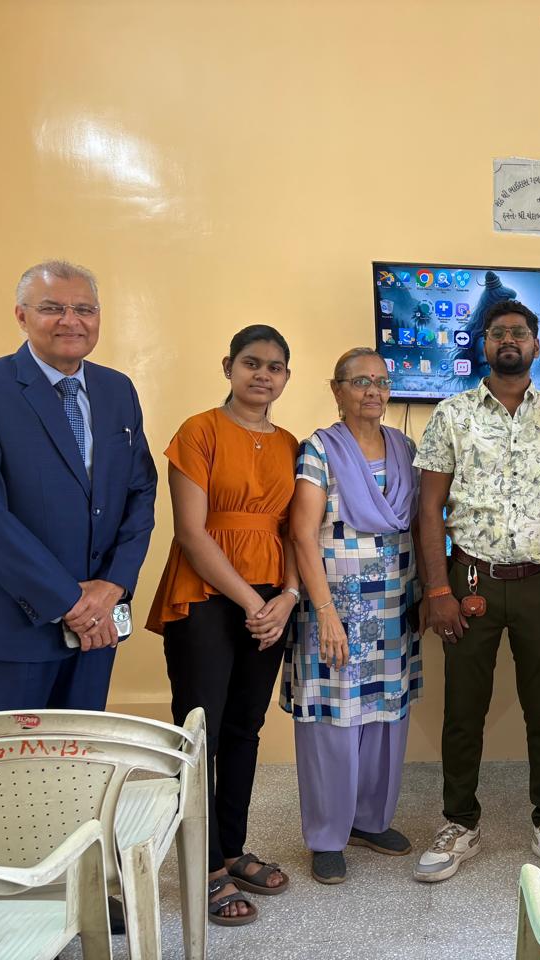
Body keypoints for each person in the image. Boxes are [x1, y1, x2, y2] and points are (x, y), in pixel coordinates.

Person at [412, 299, 540, 884]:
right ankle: (459, 822)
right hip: (470, 581)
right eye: (498, 333)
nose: (509, 341)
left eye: (519, 333)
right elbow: (429, 506)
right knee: (464, 711)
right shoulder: (451, 414)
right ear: (484, 345)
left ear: (536, 346)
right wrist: (436, 587)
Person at [0, 260, 156, 712]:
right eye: (53, 307)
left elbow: (141, 494)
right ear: (21, 316)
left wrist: (112, 586)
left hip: (101, 620)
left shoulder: (118, 390)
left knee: (81, 760)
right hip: (18, 620)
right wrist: (70, 600)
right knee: (14, 770)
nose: (71, 320)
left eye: (85, 309)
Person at [146, 325, 299, 926]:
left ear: (287, 377)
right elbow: (191, 531)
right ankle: (202, 863)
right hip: (207, 591)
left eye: (275, 367)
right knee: (200, 730)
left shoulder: (291, 443)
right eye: (251, 363)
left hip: (272, 596)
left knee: (246, 725)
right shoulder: (199, 431)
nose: (263, 375)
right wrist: (249, 601)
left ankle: (231, 849)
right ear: (229, 367)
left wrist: (285, 597)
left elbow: (295, 531)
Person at [284, 347, 422, 885]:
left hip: (392, 609)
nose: (373, 391)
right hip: (336, 608)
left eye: (382, 382)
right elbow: (302, 532)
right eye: (360, 381)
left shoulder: (405, 448)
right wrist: (325, 613)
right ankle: (326, 836)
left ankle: (370, 820)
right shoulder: (318, 449)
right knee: (333, 724)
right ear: (337, 390)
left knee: (387, 717)